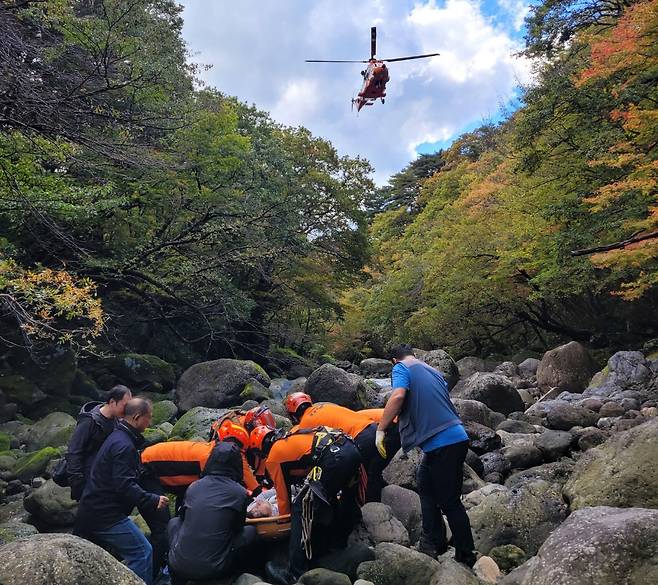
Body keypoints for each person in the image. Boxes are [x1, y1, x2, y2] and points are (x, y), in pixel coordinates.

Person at [376, 344, 476, 567]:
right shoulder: (432, 371)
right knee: (425, 486)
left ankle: (466, 557)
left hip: (444, 443)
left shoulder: (401, 368)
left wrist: (381, 429)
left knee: (450, 503)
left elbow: (399, 395)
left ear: (394, 360)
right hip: (453, 438)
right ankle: (432, 543)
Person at [249, 425, 363, 585]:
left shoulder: (273, 457)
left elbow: (283, 499)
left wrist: (284, 522)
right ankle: (337, 544)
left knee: (300, 508)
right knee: (332, 498)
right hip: (350, 448)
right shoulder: (292, 435)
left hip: (334, 459)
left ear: (260, 451)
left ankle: (295, 572)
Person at [75, 398, 169, 585]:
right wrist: (151, 499)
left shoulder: (118, 435)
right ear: (136, 417)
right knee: (142, 552)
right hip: (104, 514)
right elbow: (124, 485)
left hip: (95, 508)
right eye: (148, 418)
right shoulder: (123, 445)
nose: (149, 423)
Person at [167, 442, 257, 585]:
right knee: (251, 531)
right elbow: (238, 528)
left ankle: (173, 574)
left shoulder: (194, 487)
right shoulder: (239, 492)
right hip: (214, 569)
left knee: (174, 522)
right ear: (237, 464)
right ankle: (236, 575)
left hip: (178, 566)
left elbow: (183, 518)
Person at [284, 393, 398, 501]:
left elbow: (315, 452)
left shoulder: (305, 425)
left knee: (357, 483)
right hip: (373, 428)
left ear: (293, 415)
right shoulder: (326, 406)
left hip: (360, 439)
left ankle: (371, 512)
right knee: (373, 473)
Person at [66, 385, 132, 500]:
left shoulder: (117, 421)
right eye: (125, 406)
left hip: (103, 479)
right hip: (86, 479)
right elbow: (73, 452)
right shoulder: (89, 421)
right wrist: (78, 484)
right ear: (112, 402)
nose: (127, 410)